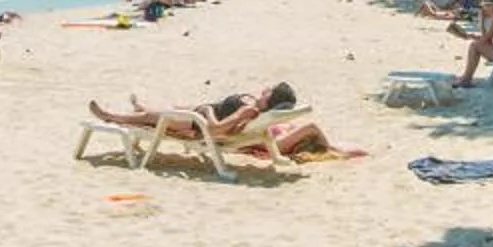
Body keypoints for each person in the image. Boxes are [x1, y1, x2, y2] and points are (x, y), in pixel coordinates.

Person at [85, 81, 358, 157]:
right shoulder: (253, 108)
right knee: (157, 112)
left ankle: (110, 116)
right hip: (197, 114)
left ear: (270, 98)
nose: (265, 88)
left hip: (196, 123)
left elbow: (215, 130)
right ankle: (138, 111)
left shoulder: (248, 111)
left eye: (269, 90)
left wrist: (205, 112)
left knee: (149, 118)